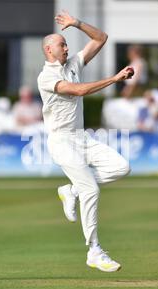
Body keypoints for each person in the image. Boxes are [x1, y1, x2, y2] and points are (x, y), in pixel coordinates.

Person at [37, 11, 133, 272]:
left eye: (66, 43)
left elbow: (101, 38)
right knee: (92, 189)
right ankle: (94, 251)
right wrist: (114, 79)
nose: (67, 47)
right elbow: (78, 90)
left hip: (81, 137)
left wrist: (76, 24)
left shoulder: (74, 64)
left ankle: (71, 191)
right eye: (62, 44)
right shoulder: (45, 77)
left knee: (121, 167)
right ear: (49, 50)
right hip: (61, 141)